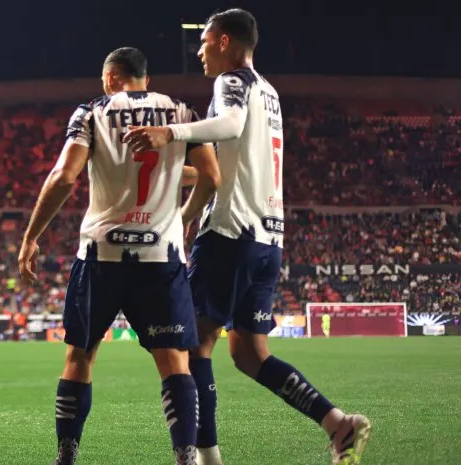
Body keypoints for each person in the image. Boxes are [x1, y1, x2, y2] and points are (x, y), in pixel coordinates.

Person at [123, 9, 371, 465]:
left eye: (203, 41)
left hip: (231, 235)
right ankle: (338, 424)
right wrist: (182, 204)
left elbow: (230, 128)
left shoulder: (233, 81)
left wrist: (170, 133)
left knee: (190, 345)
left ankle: (208, 459)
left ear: (223, 41)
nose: (198, 51)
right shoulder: (271, 93)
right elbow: (224, 171)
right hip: (267, 238)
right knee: (250, 354)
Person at [18, 47, 212, 465]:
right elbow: (211, 176)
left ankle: (67, 455)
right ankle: (185, 455)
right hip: (161, 256)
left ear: (109, 78)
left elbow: (64, 177)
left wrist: (32, 236)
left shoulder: (92, 112)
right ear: (146, 76)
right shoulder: (182, 112)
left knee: (80, 356)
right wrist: (183, 218)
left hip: (101, 254)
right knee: (174, 361)